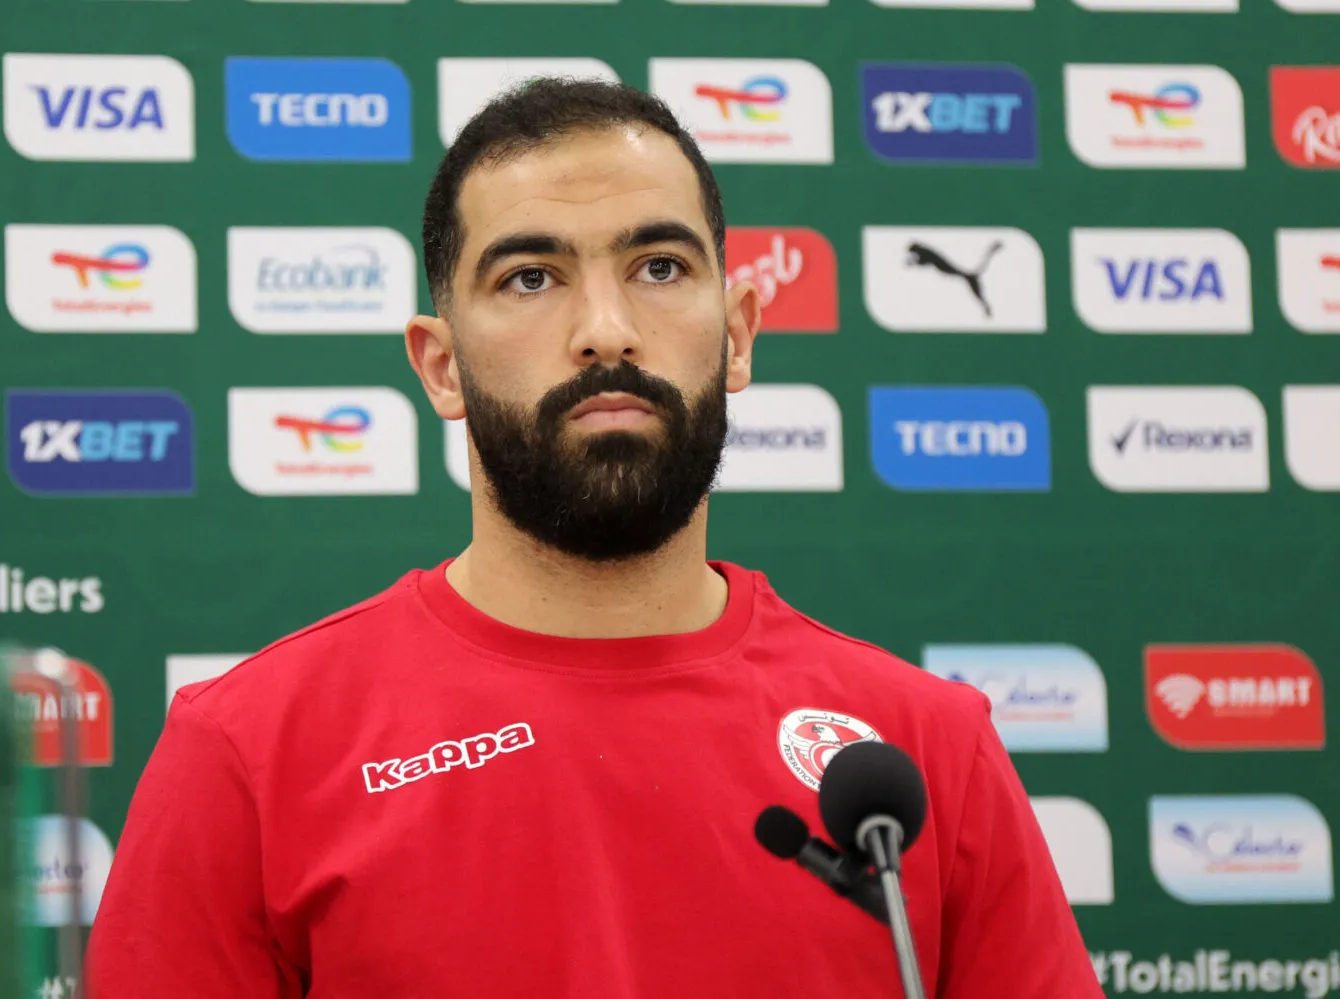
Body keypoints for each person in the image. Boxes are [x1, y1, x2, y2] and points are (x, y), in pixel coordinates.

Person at [85, 78, 1104, 998]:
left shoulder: (922, 751)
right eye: (530, 278)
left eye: (658, 266)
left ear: (738, 332)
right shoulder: (250, 756)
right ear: (439, 367)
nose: (606, 329)